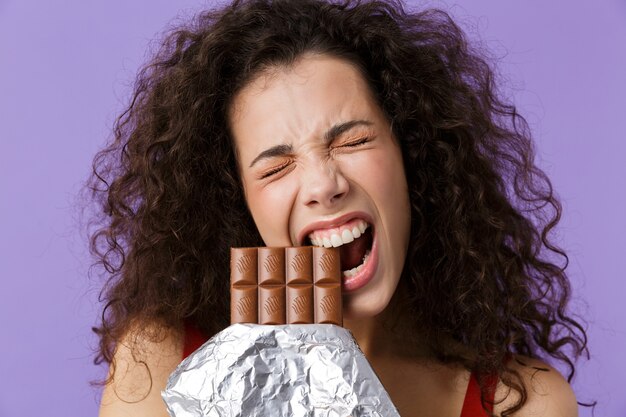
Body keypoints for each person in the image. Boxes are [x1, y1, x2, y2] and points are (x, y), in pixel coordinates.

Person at [86, 0, 588, 416]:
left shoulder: (521, 403)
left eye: (353, 141)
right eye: (275, 168)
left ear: (411, 151)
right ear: (236, 198)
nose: (323, 185)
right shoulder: (157, 363)